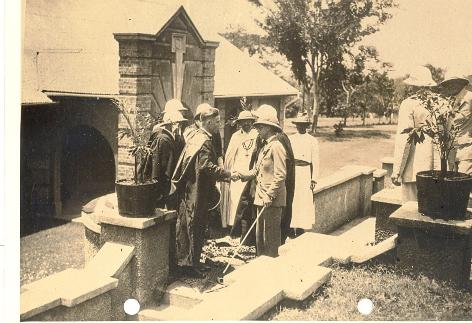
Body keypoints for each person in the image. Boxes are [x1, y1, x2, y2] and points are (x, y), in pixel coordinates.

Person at [170, 103, 233, 277]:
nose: (218, 125)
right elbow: (206, 167)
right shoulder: (204, 140)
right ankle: (189, 266)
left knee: (193, 225)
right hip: (196, 192)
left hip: (194, 190)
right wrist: (228, 174)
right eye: (216, 122)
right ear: (206, 121)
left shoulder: (197, 136)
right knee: (194, 226)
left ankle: (193, 262)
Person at [237, 104, 287, 257]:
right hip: (261, 198)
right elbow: (258, 170)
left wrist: (270, 195)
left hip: (271, 200)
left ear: (269, 128)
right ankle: (260, 268)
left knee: (270, 240)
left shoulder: (277, 146)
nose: (257, 130)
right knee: (260, 239)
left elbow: (281, 175)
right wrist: (245, 175)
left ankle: (271, 271)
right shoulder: (266, 146)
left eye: (260, 127)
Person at [391, 66, 438, 202]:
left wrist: (397, 171)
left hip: (415, 169)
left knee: (410, 212)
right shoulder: (441, 104)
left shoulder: (409, 104)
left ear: (414, 85)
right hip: (437, 170)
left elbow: (404, 139)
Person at [137, 110, 187, 208]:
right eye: (178, 124)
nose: (179, 127)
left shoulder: (167, 138)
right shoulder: (163, 139)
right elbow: (159, 169)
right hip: (160, 188)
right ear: (172, 124)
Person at [220, 110, 258, 228]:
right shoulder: (235, 136)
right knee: (235, 198)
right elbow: (230, 156)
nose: (246, 124)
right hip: (237, 172)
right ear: (240, 123)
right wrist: (230, 173)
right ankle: (233, 225)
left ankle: (246, 227)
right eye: (243, 122)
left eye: (249, 121)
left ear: (252, 122)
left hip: (250, 171)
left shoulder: (257, 135)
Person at [288, 115, 319, 236]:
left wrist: (314, 179)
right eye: (299, 124)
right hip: (293, 172)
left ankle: (301, 228)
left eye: (303, 124)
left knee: (303, 200)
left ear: (307, 126)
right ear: (296, 125)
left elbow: (316, 161)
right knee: (293, 199)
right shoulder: (290, 139)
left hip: (305, 173)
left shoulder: (312, 140)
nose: (301, 126)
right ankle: (290, 228)